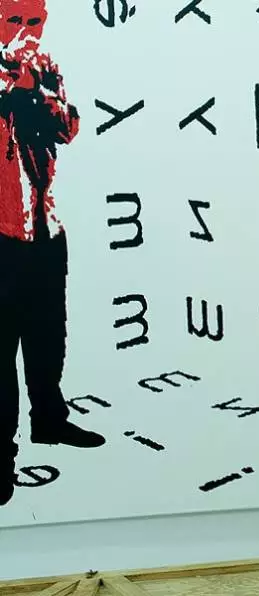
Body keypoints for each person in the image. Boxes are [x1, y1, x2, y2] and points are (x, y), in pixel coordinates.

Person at [0, 0, 105, 508]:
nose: (26, 31)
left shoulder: (45, 67)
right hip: (1, 231)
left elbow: (68, 127)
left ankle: (50, 420)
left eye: (34, 21)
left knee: (48, 336)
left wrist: (35, 88)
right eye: (14, 20)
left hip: (45, 227)